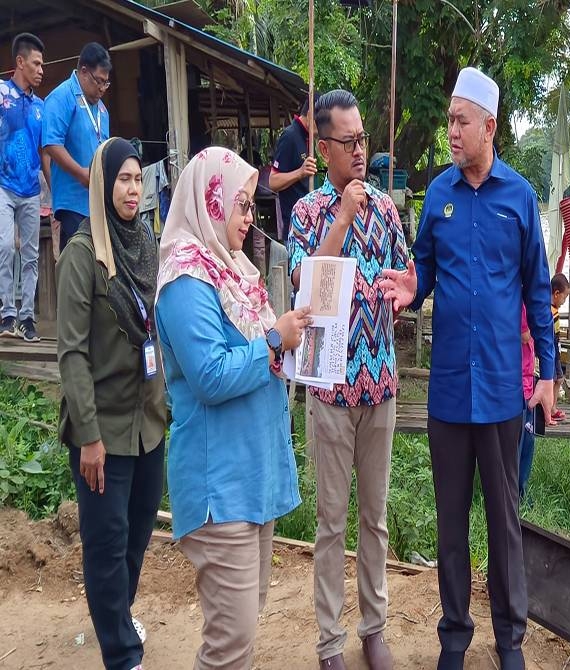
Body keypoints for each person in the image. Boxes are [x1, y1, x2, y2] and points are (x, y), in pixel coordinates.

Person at [380, 66, 555, 670]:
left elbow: (537, 292)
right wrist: (411, 286)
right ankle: (453, 639)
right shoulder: (439, 197)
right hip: (451, 390)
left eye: (461, 121)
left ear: (489, 126)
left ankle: (510, 640)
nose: (451, 131)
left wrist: (549, 373)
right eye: (449, 120)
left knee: (505, 523)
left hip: (505, 389)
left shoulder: (520, 199)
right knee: (450, 523)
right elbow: (423, 270)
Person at [155, 147, 310, 669]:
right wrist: (273, 340)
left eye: (250, 205)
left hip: (250, 478)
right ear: (209, 201)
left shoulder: (233, 271)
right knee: (229, 643)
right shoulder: (185, 281)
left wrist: (288, 343)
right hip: (219, 487)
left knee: (240, 633)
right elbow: (210, 375)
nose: (249, 217)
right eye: (240, 204)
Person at [286, 89, 407, 670]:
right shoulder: (307, 213)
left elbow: (404, 278)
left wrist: (400, 293)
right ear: (324, 146)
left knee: (374, 518)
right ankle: (330, 643)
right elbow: (307, 290)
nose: (360, 151)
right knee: (331, 522)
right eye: (349, 141)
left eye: (364, 139)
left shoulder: (387, 209)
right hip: (330, 389)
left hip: (378, 383)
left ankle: (373, 628)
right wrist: (343, 215)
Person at [56, 137, 168, 670]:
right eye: (122, 179)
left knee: (137, 535)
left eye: (137, 178)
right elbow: (72, 354)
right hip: (103, 428)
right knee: (106, 545)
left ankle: (117, 616)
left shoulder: (144, 242)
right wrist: (89, 438)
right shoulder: (82, 255)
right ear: (103, 185)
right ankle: (123, 655)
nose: (132, 188)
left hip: (147, 423)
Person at [0, 33, 47, 342]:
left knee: (30, 256)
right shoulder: (1, 93)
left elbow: (45, 152)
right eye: (36, 63)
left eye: (42, 64)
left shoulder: (41, 107)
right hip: (3, 185)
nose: (41, 69)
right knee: (4, 246)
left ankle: (27, 318)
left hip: (32, 190)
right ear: (20, 62)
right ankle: (7, 314)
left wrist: (53, 194)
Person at [42, 42, 111, 251]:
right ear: (83, 71)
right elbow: (51, 143)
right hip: (72, 200)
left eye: (106, 84)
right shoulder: (61, 97)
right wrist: (81, 173)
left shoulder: (102, 109)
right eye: (98, 81)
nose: (101, 89)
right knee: (79, 256)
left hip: (97, 202)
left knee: (94, 263)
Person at [269, 95, 318, 239]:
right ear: (310, 115)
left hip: (308, 223)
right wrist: (300, 172)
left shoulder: (308, 138)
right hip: (294, 225)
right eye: (320, 121)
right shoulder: (290, 136)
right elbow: (273, 181)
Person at [518, 304, 536, 501]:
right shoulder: (522, 303)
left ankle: (522, 490)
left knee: (529, 440)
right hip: (518, 383)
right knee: (519, 442)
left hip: (529, 381)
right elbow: (525, 334)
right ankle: (515, 493)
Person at [550, 273, 570, 422]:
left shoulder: (553, 311)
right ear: (556, 294)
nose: (564, 301)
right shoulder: (549, 311)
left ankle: (553, 407)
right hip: (551, 349)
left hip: (556, 348)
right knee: (552, 380)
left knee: (559, 379)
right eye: (564, 297)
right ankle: (549, 409)